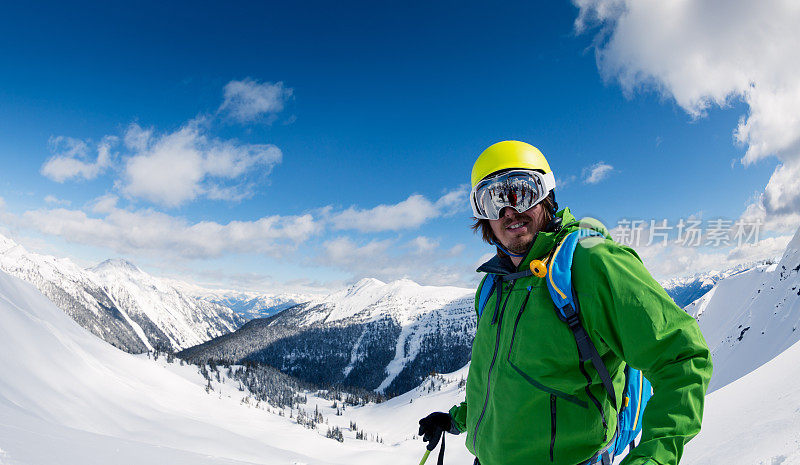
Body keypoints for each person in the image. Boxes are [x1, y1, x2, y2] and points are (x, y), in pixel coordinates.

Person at [418, 141, 712, 465]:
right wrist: (456, 419)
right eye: (492, 200)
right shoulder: (493, 286)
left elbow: (683, 356)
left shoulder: (590, 264)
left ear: (546, 194)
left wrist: (654, 458)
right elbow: (501, 383)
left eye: (521, 191)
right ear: (483, 217)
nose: (509, 211)